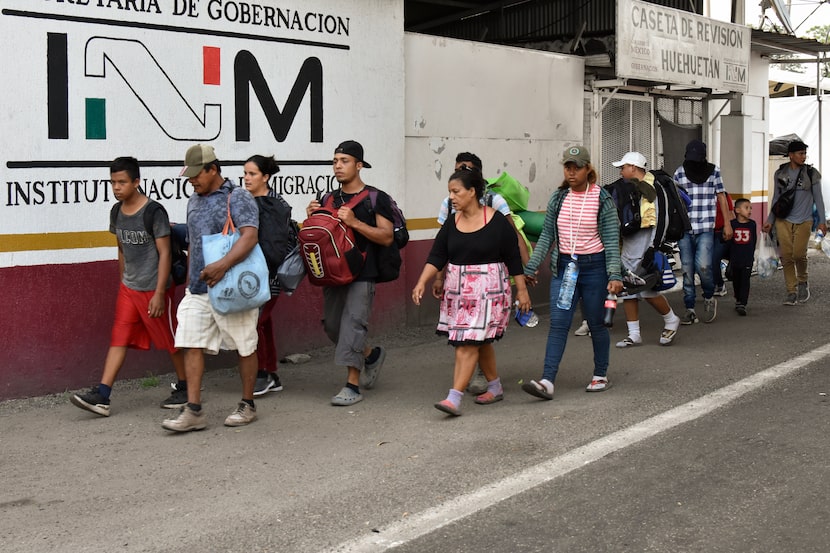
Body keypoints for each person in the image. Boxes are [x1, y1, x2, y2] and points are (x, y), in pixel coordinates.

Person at [71, 157, 187, 417]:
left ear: (137, 182)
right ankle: (102, 395)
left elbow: (165, 254)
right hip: (129, 288)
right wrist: (122, 279)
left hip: (154, 289)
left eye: (122, 182)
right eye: (113, 182)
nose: (117, 187)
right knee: (118, 338)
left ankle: (186, 386)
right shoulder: (116, 211)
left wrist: (159, 294)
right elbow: (121, 248)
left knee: (170, 340)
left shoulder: (154, 212)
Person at [412, 166, 530, 416]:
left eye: (456, 192)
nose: (451, 197)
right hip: (459, 292)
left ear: (472, 192)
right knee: (479, 341)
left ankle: (454, 397)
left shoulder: (496, 220)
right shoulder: (452, 223)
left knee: (467, 343)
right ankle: (495, 387)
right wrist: (422, 281)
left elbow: (512, 257)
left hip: (489, 291)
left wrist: (522, 291)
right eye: (449, 192)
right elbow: (437, 255)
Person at [161, 144, 262, 432]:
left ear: (213, 169)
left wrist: (222, 265)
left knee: (244, 345)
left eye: (197, 174)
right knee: (190, 341)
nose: (192, 180)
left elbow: (250, 236)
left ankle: (247, 404)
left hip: (231, 285)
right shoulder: (193, 200)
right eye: (189, 175)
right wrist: (192, 278)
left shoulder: (237, 196)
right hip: (198, 288)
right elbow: (194, 242)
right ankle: (194, 410)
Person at [522, 145, 623, 400]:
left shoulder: (602, 199)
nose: (571, 172)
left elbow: (611, 240)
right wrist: (531, 266)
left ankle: (600, 374)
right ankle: (547, 381)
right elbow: (547, 235)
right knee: (559, 323)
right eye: (567, 167)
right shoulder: (559, 198)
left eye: (576, 167)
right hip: (566, 268)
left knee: (596, 323)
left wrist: (614, 275)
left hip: (594, 269)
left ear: (588, 168)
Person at [305, 140, 393, 406]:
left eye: (344, 161)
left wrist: (355, 222)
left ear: (359, 165)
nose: (338, 166)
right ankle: (370, 355)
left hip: (363, 272)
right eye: (335, 161)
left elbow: (387, 236)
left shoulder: (376, 198)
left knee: (353, 325)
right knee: (333, 327)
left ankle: (352, 385)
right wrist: (311, 216)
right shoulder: (328, 198)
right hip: (333, 272)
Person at [610, 152, 681, 347]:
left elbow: (662, 220)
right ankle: (634, 334)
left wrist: (653, 248)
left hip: (646, 247)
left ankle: (671, 319)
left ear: (633, 167)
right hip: (628, 248)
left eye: (623, 167)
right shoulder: (626, 189)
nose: (621, 171)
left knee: (648, 292)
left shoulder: (655, 187)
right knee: (629, 292)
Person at [243, 154, 290, 396]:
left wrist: (264, 272)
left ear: (266, 177)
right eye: (245, 173)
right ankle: (271, 372)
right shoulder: (254, 201)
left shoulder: (272, 205)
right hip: (257, 273)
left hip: (267, 275)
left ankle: (261, 373)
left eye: (252, 174)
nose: (246, 178)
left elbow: (272, 246)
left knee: (255, 322)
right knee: (264, 322)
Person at [673, 139, 733, 324]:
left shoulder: (713, 171)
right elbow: (675, 200)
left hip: (706, 228)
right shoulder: (679, 173)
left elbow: (721, 197)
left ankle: (708, 296)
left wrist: (728, 224)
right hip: (685, 229)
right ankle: (689, 307)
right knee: (687, 269)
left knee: (704, 267)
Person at [763, 140, 826, 305]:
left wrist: (822, 221)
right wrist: (770, 220)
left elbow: (818, 199)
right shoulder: (781, 173)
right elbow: (776, 198)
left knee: (799, 254)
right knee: (787, 256)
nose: (803, 157)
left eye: (805, 153)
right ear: (791, 155)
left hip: (805, 220)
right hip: (783, 221)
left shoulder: (812, 174)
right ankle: (791, 291)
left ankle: (803, 281)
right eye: (800, 153)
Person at [729, 199, 758, 316]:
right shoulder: (732, 224)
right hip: (735, 258)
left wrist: (752, 255)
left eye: (750, 208)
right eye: (746, 208)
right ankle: (738, 299)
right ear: (737, 210)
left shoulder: (752, 224)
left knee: (745, 280)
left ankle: (743, 303)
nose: (750, 210)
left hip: (747, 258)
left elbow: (753, 240)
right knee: (736, 280)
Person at [712, 191, 734, 297]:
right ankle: (711, 285)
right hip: (706, 233)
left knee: (714, 259)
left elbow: (730, 214)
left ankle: (720, 285)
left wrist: (731, 230)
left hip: (720, 232)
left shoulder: (724, 195)